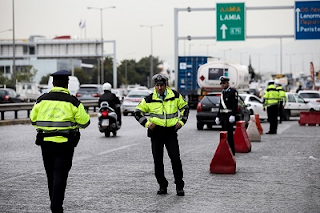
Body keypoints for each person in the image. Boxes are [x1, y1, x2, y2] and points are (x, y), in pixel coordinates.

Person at [30, 70, 90, 213]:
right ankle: (56, 207)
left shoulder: (42, 99)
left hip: (45, 143)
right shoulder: (73, 101)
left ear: (53, 83)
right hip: (65, 144)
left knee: (50, 175)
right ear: (67, 84)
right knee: (60, 175)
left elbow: (33, 119)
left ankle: (54, 202)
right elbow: (85, 122)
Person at [134, 73, 189, 196]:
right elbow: (137, 112)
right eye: (157, 85)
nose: (159, 88)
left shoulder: (175, 96)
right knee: (158, 161)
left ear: (166, 85)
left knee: (175, 159)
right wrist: (147, 124)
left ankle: (179, 186)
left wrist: (181, 122)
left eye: (162, 85)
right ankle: (162, 185)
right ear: (155, 85)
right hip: (156, 132)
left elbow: (185, 108)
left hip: (171, 132)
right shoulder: (149, 98)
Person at [215, 76, 238, 155]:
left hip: (229, 115)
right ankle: (224, 150)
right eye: (221, 84)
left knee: (229, 135)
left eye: (224, 83)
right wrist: (218, 116)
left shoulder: (233, 92)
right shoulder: (223, 93)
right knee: (223, 134)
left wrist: (233, 115)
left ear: (228, 83)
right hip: (223, 116)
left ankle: (231, 151)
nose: (222, 85)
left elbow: (235, 104)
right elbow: (220, 106)